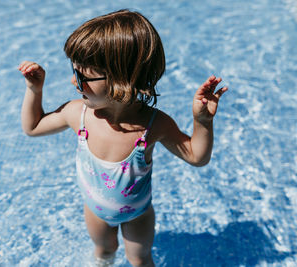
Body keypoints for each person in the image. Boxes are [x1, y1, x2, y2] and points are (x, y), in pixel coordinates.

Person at [18, 9, 227, 267]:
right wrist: (34, 90)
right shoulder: (77, 114)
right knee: (104, 252)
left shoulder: (153, 125)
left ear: (122, 81)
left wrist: (203, 122)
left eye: (84, 76)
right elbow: (33, 127)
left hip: (137, 216)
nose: (74, 81)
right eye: (74, 70)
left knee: (138, 260)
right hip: (95, 210)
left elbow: (196, 157)